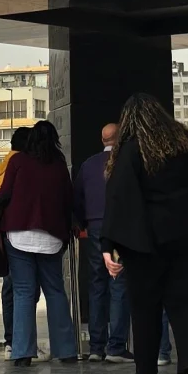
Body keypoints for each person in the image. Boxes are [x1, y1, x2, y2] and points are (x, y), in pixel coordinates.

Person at [100, 92, 188, 374]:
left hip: (146, 245)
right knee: (185, 304)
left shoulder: (130, 151)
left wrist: (107, 244)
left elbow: (117, 200)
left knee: (145, 308)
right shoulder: (184, 147)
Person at [0, 118, 78, 365]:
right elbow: (69, 200)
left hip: (18, 234)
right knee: (55, 291)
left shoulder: (18, 161)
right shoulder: (59, 165)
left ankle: (22, 353)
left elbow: (4, 194)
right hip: (52, 236)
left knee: (23, 292)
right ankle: (66, 351)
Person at [73, 121, 131, 361]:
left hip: (95, 227)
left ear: (103, 139)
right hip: (120, 226)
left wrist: (83, 223)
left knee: (97, 283)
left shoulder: (88, 164)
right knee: (118, 283)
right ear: (121, 137)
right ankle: (116, 346)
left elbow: (77, 197)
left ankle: (96, 347)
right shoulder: (126, 161)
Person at [0, 127, 34, 354]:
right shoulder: (19, 163)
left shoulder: (5, 163)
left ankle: (12, 339)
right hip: (16, 232)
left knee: (11, 287)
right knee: (21, 289)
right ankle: (18, 340)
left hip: (6, 230)